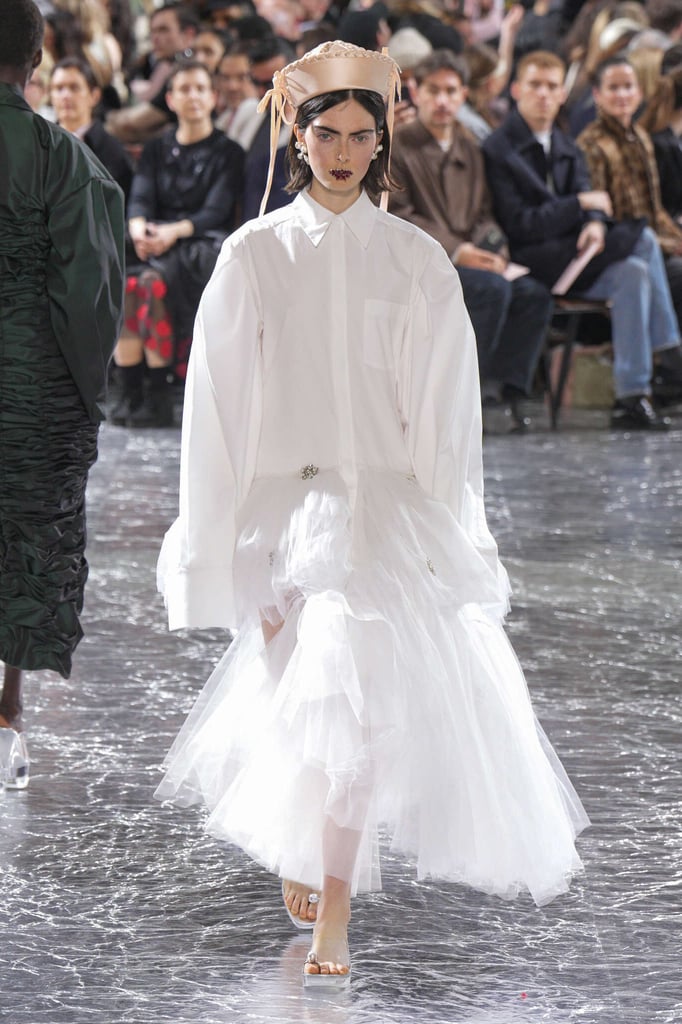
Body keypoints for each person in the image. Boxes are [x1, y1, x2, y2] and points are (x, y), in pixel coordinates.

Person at [155, 40, 588, 987]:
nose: (344, 153)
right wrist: (214, 538)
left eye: (361, 135)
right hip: (279, 515)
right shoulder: (253, 255)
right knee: (300, 707)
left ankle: (337, 903)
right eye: (328, 135)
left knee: (354, 714)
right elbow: (215, 408)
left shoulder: (416, 261)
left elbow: (447, 413)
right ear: (298, 139)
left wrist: (447, 525)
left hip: (382, 512)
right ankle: (307, 848)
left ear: (381, 142)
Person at [0, 0, 125, 788]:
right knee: (20, 544)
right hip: (31, 385)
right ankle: (7, 708)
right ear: (38, 63)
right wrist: (84, 393)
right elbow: (90, 296)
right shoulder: (67, 161)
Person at [483, 49, 682, 430]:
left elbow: (593, 200)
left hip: (573, 253)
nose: (544, 94)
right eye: (535, 85)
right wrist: (580, 207)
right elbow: (520, 225)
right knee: (642, 238)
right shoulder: (499, 148)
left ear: (563, 94)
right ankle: (671, 355)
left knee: (635, 272)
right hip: (533, 258)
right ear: (516, 90)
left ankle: (631, 396)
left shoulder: (565, 144)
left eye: (552, 86)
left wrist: (594, 221)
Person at [390, 49, 553, 428]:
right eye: (433, 90)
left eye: (451, 91)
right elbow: (398, 215)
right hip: (422, 262)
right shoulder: (397, 146)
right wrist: (458, 251)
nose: (442, 101)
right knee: (490, 290)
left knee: (534, 294)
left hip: (471, 259)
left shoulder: (471, 147)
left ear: (464, 94)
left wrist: (494, 250)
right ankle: (462, 393)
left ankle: (509, 390)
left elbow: (483, 213)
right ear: (415, 91)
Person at [110, 60, 243, 427]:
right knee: (125, 281)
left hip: (199, 243)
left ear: (213, 97)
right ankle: (133, 392)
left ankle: (158, 395)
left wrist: (171, 232)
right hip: (156, 240)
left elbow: (215, 212)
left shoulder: (229, 151)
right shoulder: (156, 148)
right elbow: (140, 198)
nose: (193, 96)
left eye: (200, 88)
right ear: (169, 99)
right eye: (184, 89)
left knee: (148, 283)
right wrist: (139, 228)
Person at [577, 55, 682, 361]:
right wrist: (670, 245)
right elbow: (608, 217)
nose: (622, 95)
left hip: (652, 241)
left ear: (640, 93)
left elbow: (655, 210)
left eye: (628, 87)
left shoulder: (641, 138)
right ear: (597, 94)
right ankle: (668, 358)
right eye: (613, 88)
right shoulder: (591, 144)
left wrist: (676, 238)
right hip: (620, 246)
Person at [50, 56, 133, 202]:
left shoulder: (112, 149)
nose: (65, 96)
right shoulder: (39, 143)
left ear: (94, 96)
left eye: (74, 88)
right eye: (58, 88)